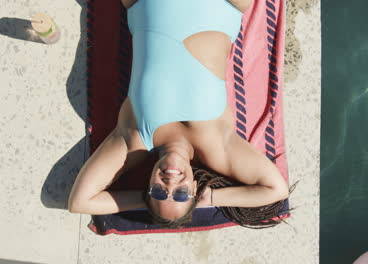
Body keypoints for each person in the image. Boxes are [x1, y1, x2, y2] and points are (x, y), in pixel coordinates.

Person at [68, 0, 291, 228]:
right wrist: (211, 198)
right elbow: (276, 189)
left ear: (148, 187)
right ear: (194, 189)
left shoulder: (134, 141)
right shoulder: (217, 148)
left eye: (159, 193)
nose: (170, 185)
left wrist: (145, 200)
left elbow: (80, 201)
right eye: (182, 195)